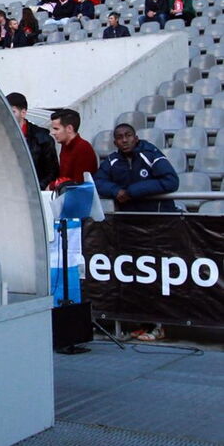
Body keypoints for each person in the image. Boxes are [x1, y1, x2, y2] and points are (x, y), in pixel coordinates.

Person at [94, 123, 179, 343]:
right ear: (115, 141)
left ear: (136, 137)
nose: (124, 140)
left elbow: (171, 181)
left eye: (128, 136)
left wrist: (132, 192)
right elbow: (98, 181)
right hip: (130, 227)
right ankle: (145, 324)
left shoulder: (151, 154)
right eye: (120, 137)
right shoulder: (112, 160)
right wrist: (116, 191)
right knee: (136, 277)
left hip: (156, 226)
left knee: (155, 276)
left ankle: (159, 325)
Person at [6, 93, 59, 190]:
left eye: (12, 111)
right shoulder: (2, 134)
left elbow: (52, 173)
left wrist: (36, 189)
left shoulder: (42, 139)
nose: (7, 114)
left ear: (23, 113)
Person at [49, 108, 98, 189]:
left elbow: (78, 184)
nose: (53, 133)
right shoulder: (65, 145)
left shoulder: (83, 148)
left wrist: (53, 185)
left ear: (69, 129)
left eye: (56, 129)